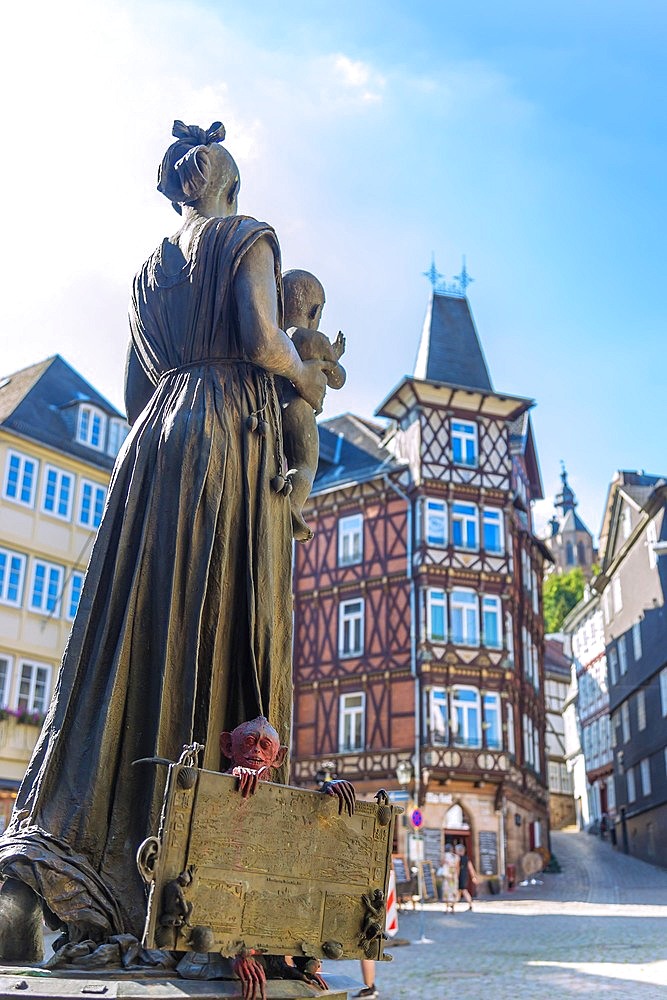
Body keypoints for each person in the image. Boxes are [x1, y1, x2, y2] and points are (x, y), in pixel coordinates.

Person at [0, 119, 329, 960]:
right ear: (227, 183)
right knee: (218, 635)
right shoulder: (246, 237)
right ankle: (197, 893)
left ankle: (87, 863)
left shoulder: (149, 268)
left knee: (132, 641)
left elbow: (130, 385)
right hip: (227, 433)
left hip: (151, 446)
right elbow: (261, 340)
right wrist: (303, 375)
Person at [280, 269, 346, 541]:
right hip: (300, 409)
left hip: (277, 406)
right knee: (305, 462)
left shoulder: (280, 337)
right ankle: (293, 506)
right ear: (314, 311)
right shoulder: (314, 339)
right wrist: (335, 359)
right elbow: (338, 380)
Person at [437, 842, 460, 913]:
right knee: (453, 890)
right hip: (453, 876)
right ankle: (453, 908)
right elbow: (457, 867)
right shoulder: (456, 857)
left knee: (446, 891)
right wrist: (457, 876)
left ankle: (447, 908)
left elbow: (441, 864)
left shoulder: (444, 856)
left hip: (447, 876)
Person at [455, 842, 478, 911]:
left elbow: (457, 868)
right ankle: (453, 905)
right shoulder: (466, 858)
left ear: (458, 851)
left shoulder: (457, 858)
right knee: (459, 891)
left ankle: (470, 904)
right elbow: (471, 868)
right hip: (465, 876)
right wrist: (473, 877)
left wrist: (456, 876)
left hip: (460, 876)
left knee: (464, 891)